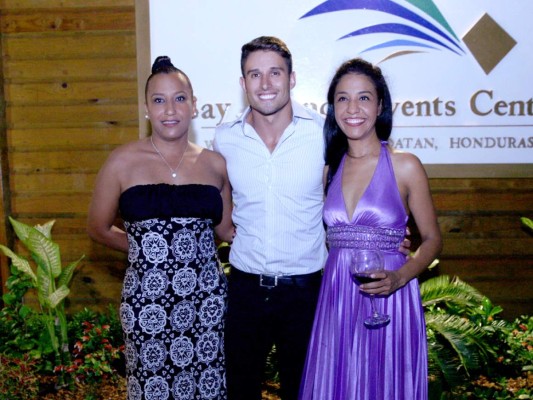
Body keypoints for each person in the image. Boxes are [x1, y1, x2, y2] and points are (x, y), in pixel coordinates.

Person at [213, 37, 412, 400]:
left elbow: (363, 182)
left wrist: (387, 234)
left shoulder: (326, 134)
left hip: (307, 294)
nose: (266, 83)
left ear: (292, 78)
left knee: (306, 392)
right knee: (239, 391)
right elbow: (222, 212)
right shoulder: (224, 139)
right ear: (242, 84)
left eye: (275, 72)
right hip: (244, 289)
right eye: (254, 74)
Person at [87, 56, 234, 400]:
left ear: (195, 105)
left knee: (209, 389)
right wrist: (146, 251)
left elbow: (226, 230)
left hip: (206, 305)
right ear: (146, 109)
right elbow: (98, 227)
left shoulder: (215, 165)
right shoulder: (122, 162)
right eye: (159, 100)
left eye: (180, 98)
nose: (170, 109)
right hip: (147, 306)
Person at [298, 58, 443, 400]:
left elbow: (434, 238)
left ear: (380, 106)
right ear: (332, 108)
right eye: (343, 98)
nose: (353, 108)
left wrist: (401, 276)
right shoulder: (328, 170)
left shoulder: (405, 165)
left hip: (390, 297)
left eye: (364, 98)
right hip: (336, 298)